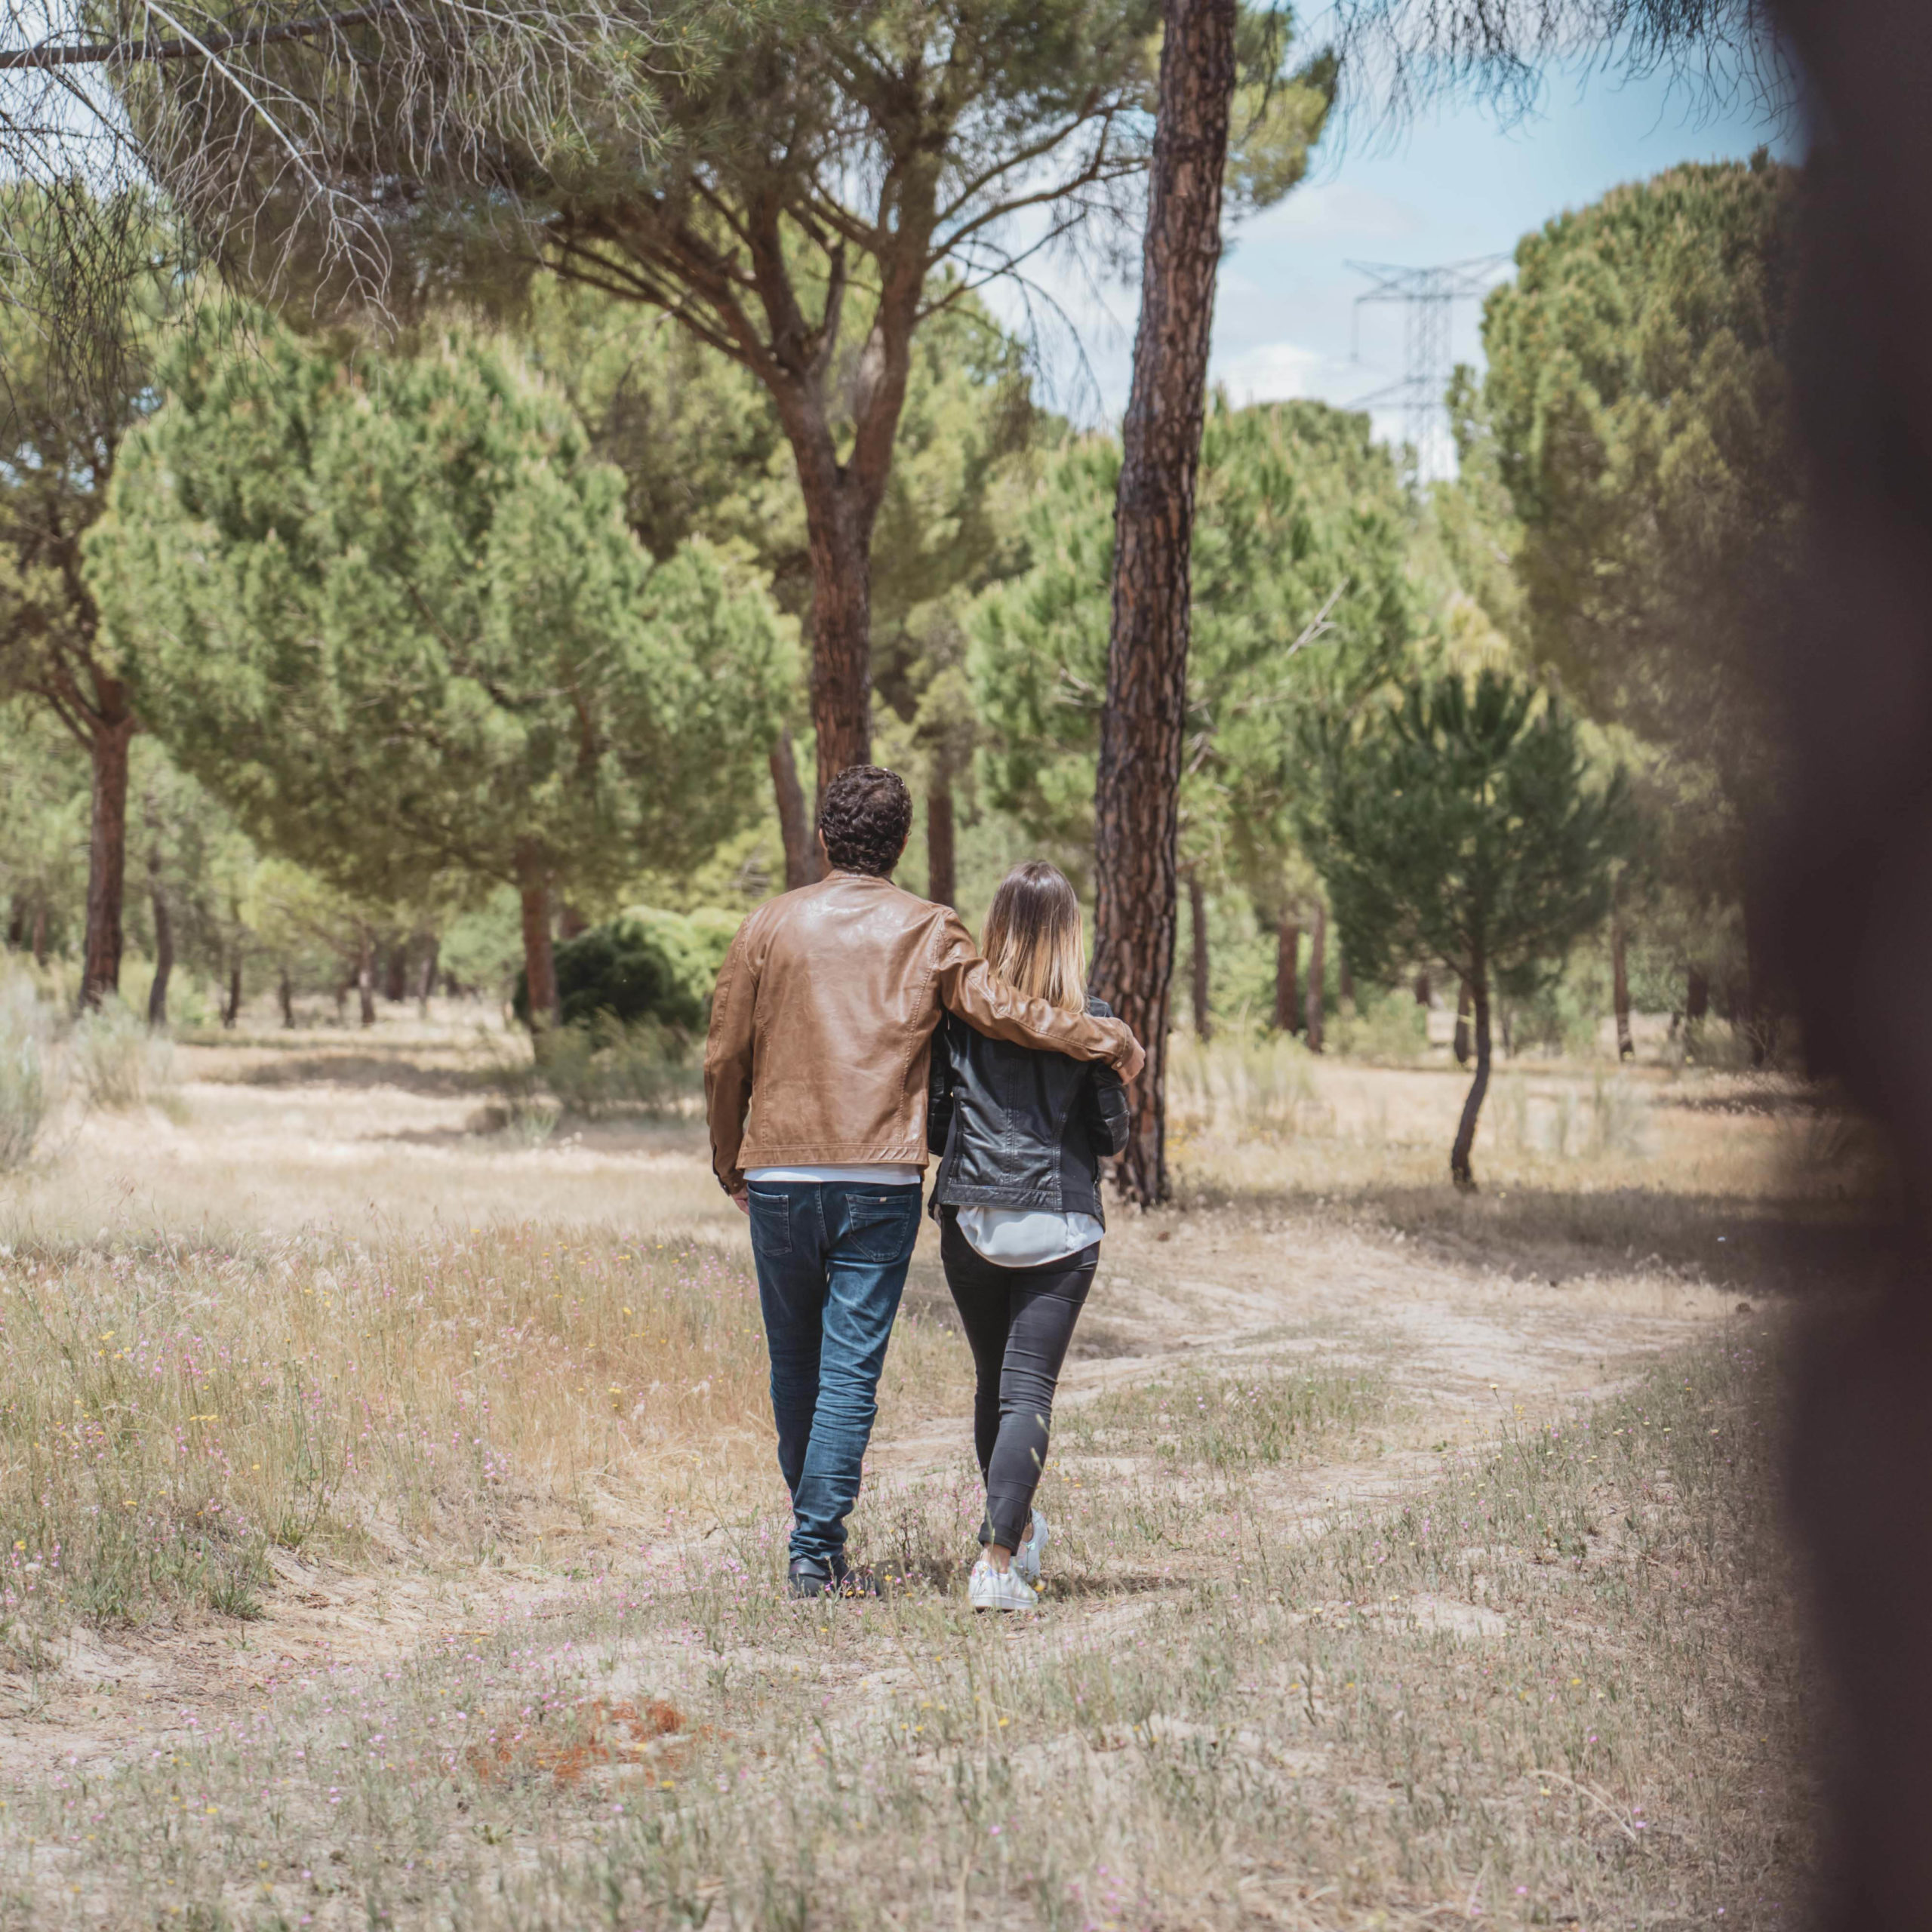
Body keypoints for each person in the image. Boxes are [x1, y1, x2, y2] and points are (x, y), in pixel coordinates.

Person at [704, 767, 1143, 1600]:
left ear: (823, 839)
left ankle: (816, 1543)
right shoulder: (929, 928)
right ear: (901, 844)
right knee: (848, 1374)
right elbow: (1007, 1011)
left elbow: (725, 1056)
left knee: (795, 1365)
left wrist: (732, 1160)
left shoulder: (765, 925)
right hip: (877, 1174)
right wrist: (1100, 1037)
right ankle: (813, 1550)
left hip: (780, 1169)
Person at [925, 861, 1131, 1613]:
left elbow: (938, 1126)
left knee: (996, 1385)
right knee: (1028, 1390)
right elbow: (1109, 1135)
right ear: (1068, 934)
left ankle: (1009, 1530)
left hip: (972, 1218)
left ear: (998, 929)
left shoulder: (961, 1021)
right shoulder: (1093, 1018)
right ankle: (995, 1560)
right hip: (1060, 1221)